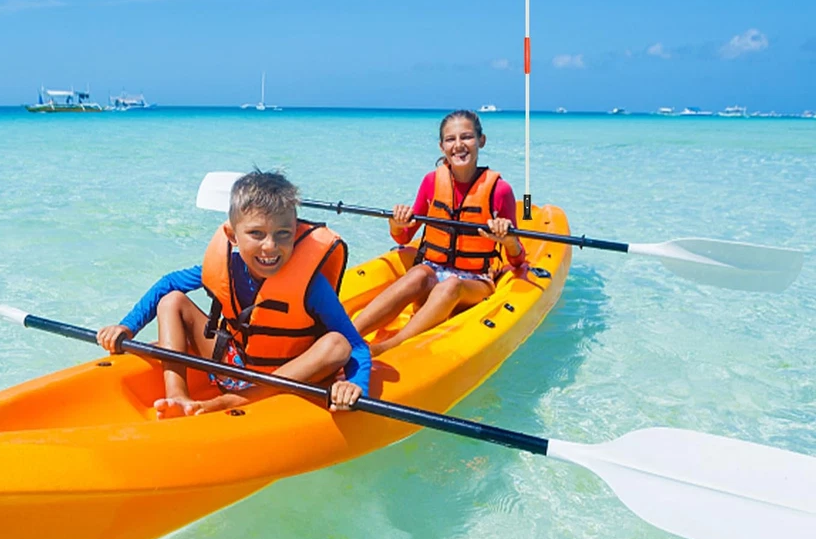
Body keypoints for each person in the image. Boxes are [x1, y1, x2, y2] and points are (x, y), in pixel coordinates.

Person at [97, 170, 370, 418]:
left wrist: (356, 386)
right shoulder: (229, 267)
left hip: (291, 378)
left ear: (296, 232)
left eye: (283, 234)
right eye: (256, 233)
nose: (270, 247)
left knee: (337, 343)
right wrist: (127, 326)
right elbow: (168, 283)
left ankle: (231, 402)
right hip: (232, 366)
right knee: (172, 301)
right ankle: (177, 396)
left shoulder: (313, 285)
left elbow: (355, 346)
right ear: (232, 235)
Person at [352, 110, 526, 355]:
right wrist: (396, 223)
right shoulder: (432, 182)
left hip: (476, 282)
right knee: (417, 275)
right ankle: (347, 336)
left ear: (481, 140)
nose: (458, 145)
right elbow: (402, 237)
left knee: (451, 285)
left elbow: (518, 260)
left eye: (466, 137)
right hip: (435, 269)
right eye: (450, 139)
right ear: (442, 146)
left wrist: (508, 240)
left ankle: (387, 347)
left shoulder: (500, 191)